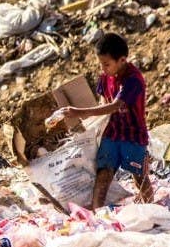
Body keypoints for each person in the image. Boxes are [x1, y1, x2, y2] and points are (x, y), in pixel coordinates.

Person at [51, 32, 152, 209]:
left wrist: (79, 112)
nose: (103, 68)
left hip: (133, 135)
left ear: (122, 60)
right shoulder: (105, 77)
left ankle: (152, 209)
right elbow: (103, 102)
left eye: (107, 64)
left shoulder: (133, 80)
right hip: (112, 133)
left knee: (140, 177)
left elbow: (114, 106)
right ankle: (98, 214)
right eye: (101, 64)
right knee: (103, 173)